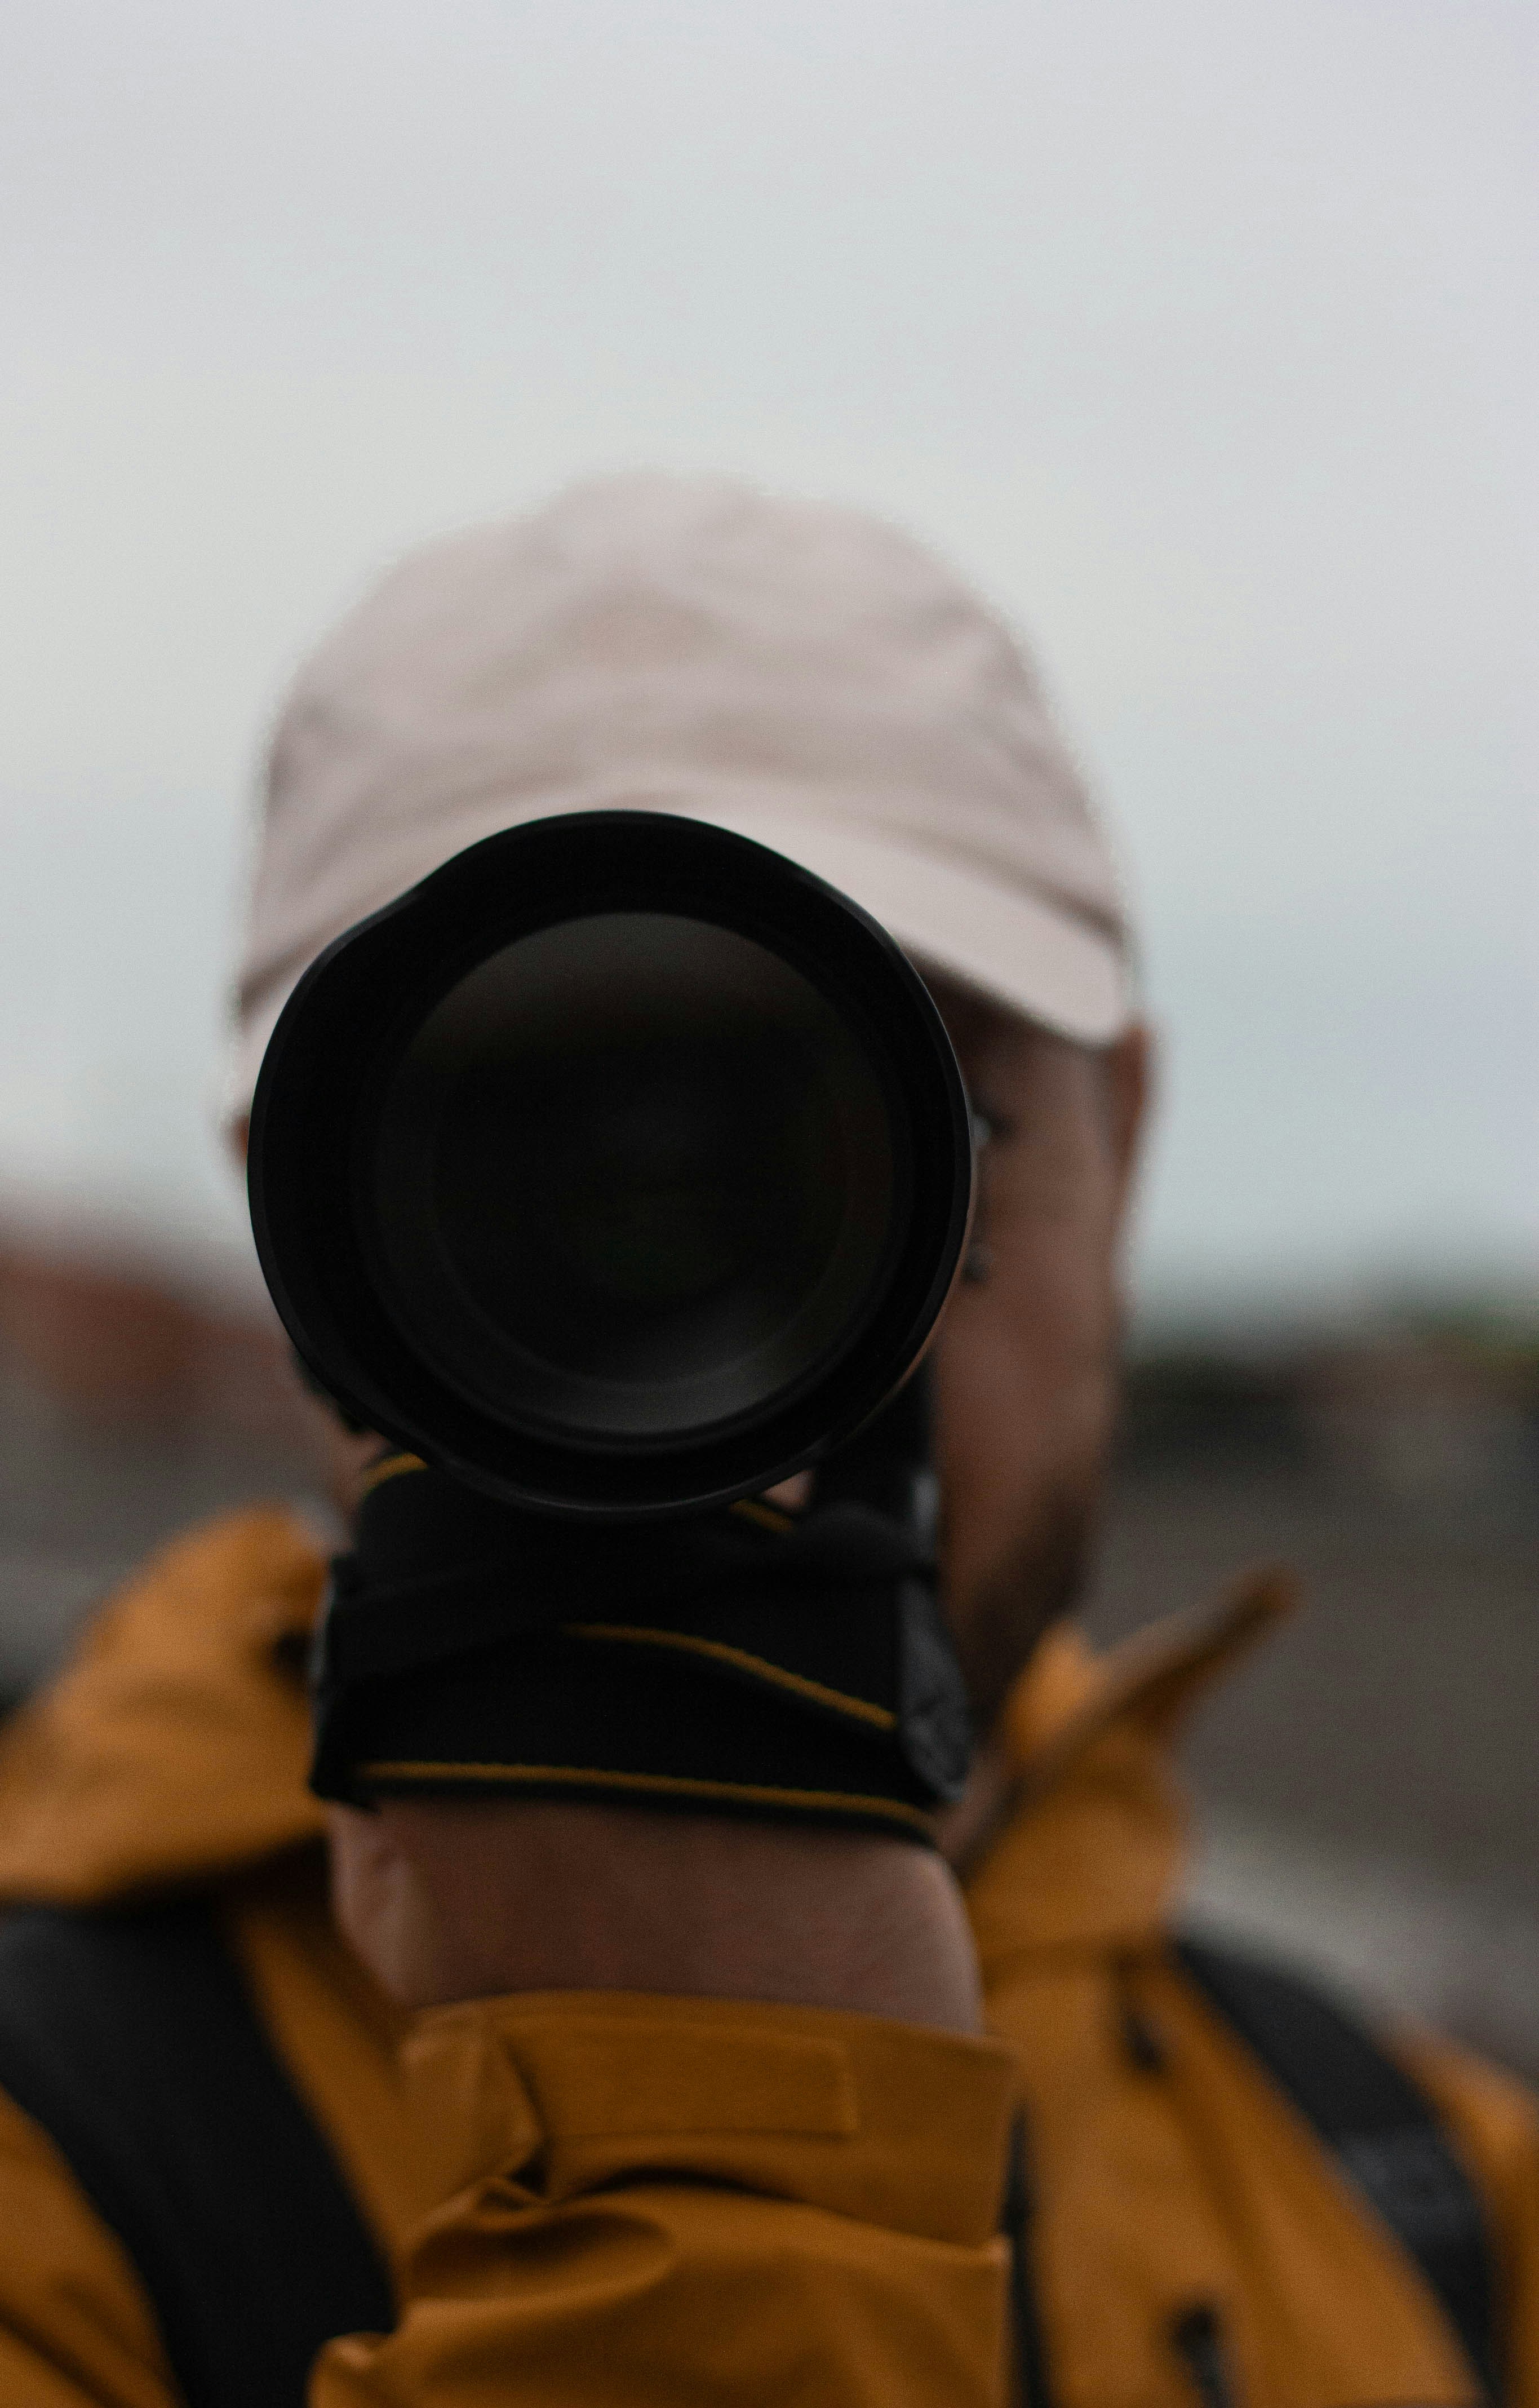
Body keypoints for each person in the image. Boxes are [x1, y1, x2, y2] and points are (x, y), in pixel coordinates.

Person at [0, 475, 1533, 2408]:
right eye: (521, 1148)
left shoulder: (1439, 2197)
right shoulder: (52, 2184)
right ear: (298, 1232)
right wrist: (709, 2141)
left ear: (1122, 1154)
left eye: (907, 1132)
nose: (786, 1364)